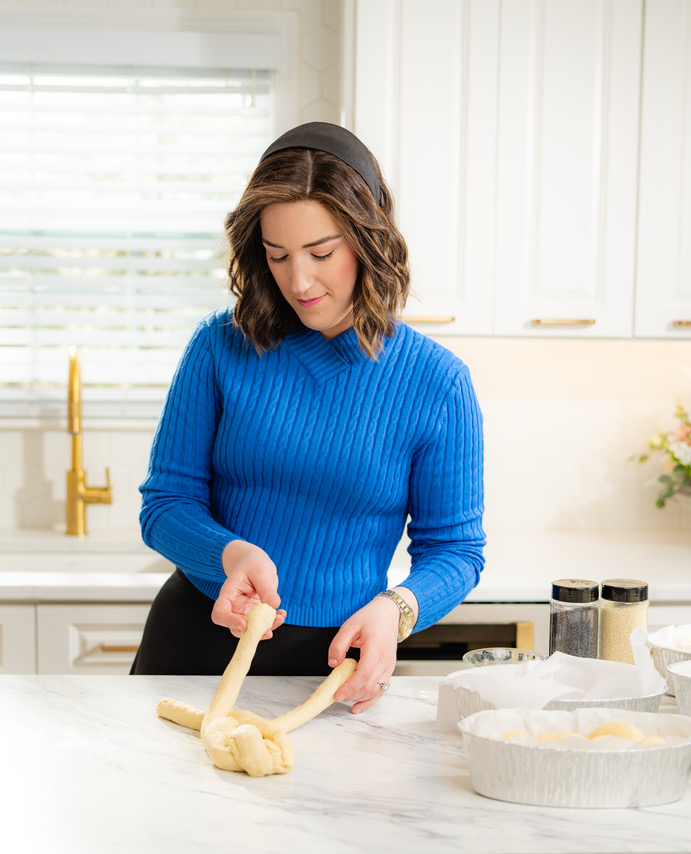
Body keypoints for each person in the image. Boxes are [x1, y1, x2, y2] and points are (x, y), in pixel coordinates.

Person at [130, 121, 485, 714]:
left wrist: (396, 610)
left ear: (369, 241)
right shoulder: (220, 346)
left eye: (321, 253)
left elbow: (454, 550)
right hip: (193, 642)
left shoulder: (438, 383)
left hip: (333, 665)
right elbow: (165, 504)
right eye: (278, 256)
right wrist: (228, 554)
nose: (298, 280)